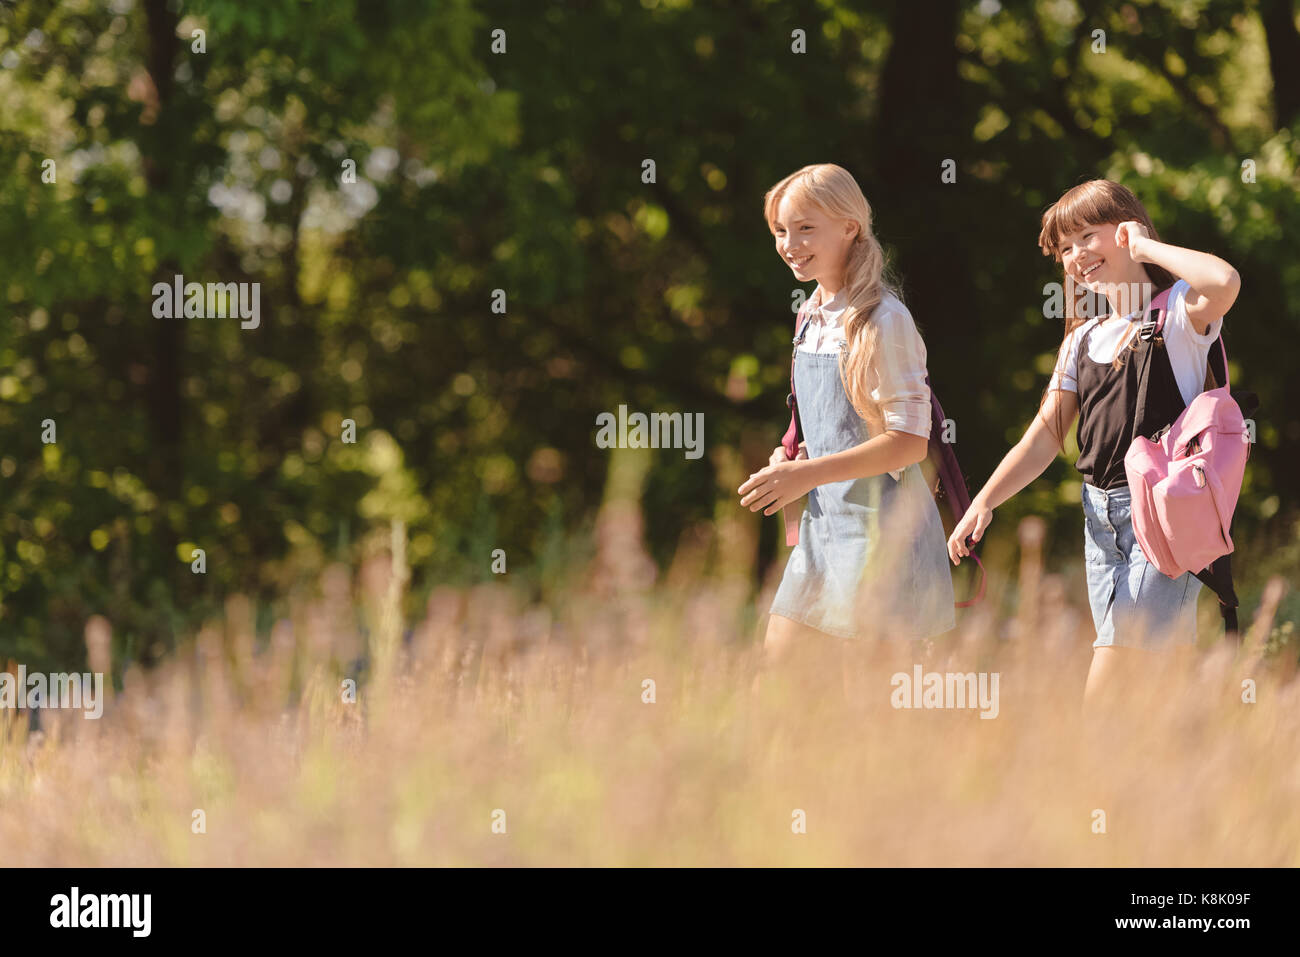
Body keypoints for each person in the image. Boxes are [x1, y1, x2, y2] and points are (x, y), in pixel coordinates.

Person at [946, 179, 1241, 705]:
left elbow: (1223, 280)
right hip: (1099, 523)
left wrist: (1146, 247)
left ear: (1127, 229)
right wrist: (983, 502)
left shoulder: (1177, 313)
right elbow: (1043, 438)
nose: (1076, 255)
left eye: (1088, 236)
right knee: (1144, 680)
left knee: (1110, 680)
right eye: (1064, 248)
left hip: (1165, 518)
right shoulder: (1083, 339)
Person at [739, 163, 955, 674]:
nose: (790, 244)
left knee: (868, 713)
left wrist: (806, 473)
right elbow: (837, 427)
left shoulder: (885, 319)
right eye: (780, 231)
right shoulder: (811, 314)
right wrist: (796, 456)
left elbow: (908, 444)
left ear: (849, 226)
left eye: (805, 228)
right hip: (822, 530)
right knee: (776, 683)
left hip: (882, 536)